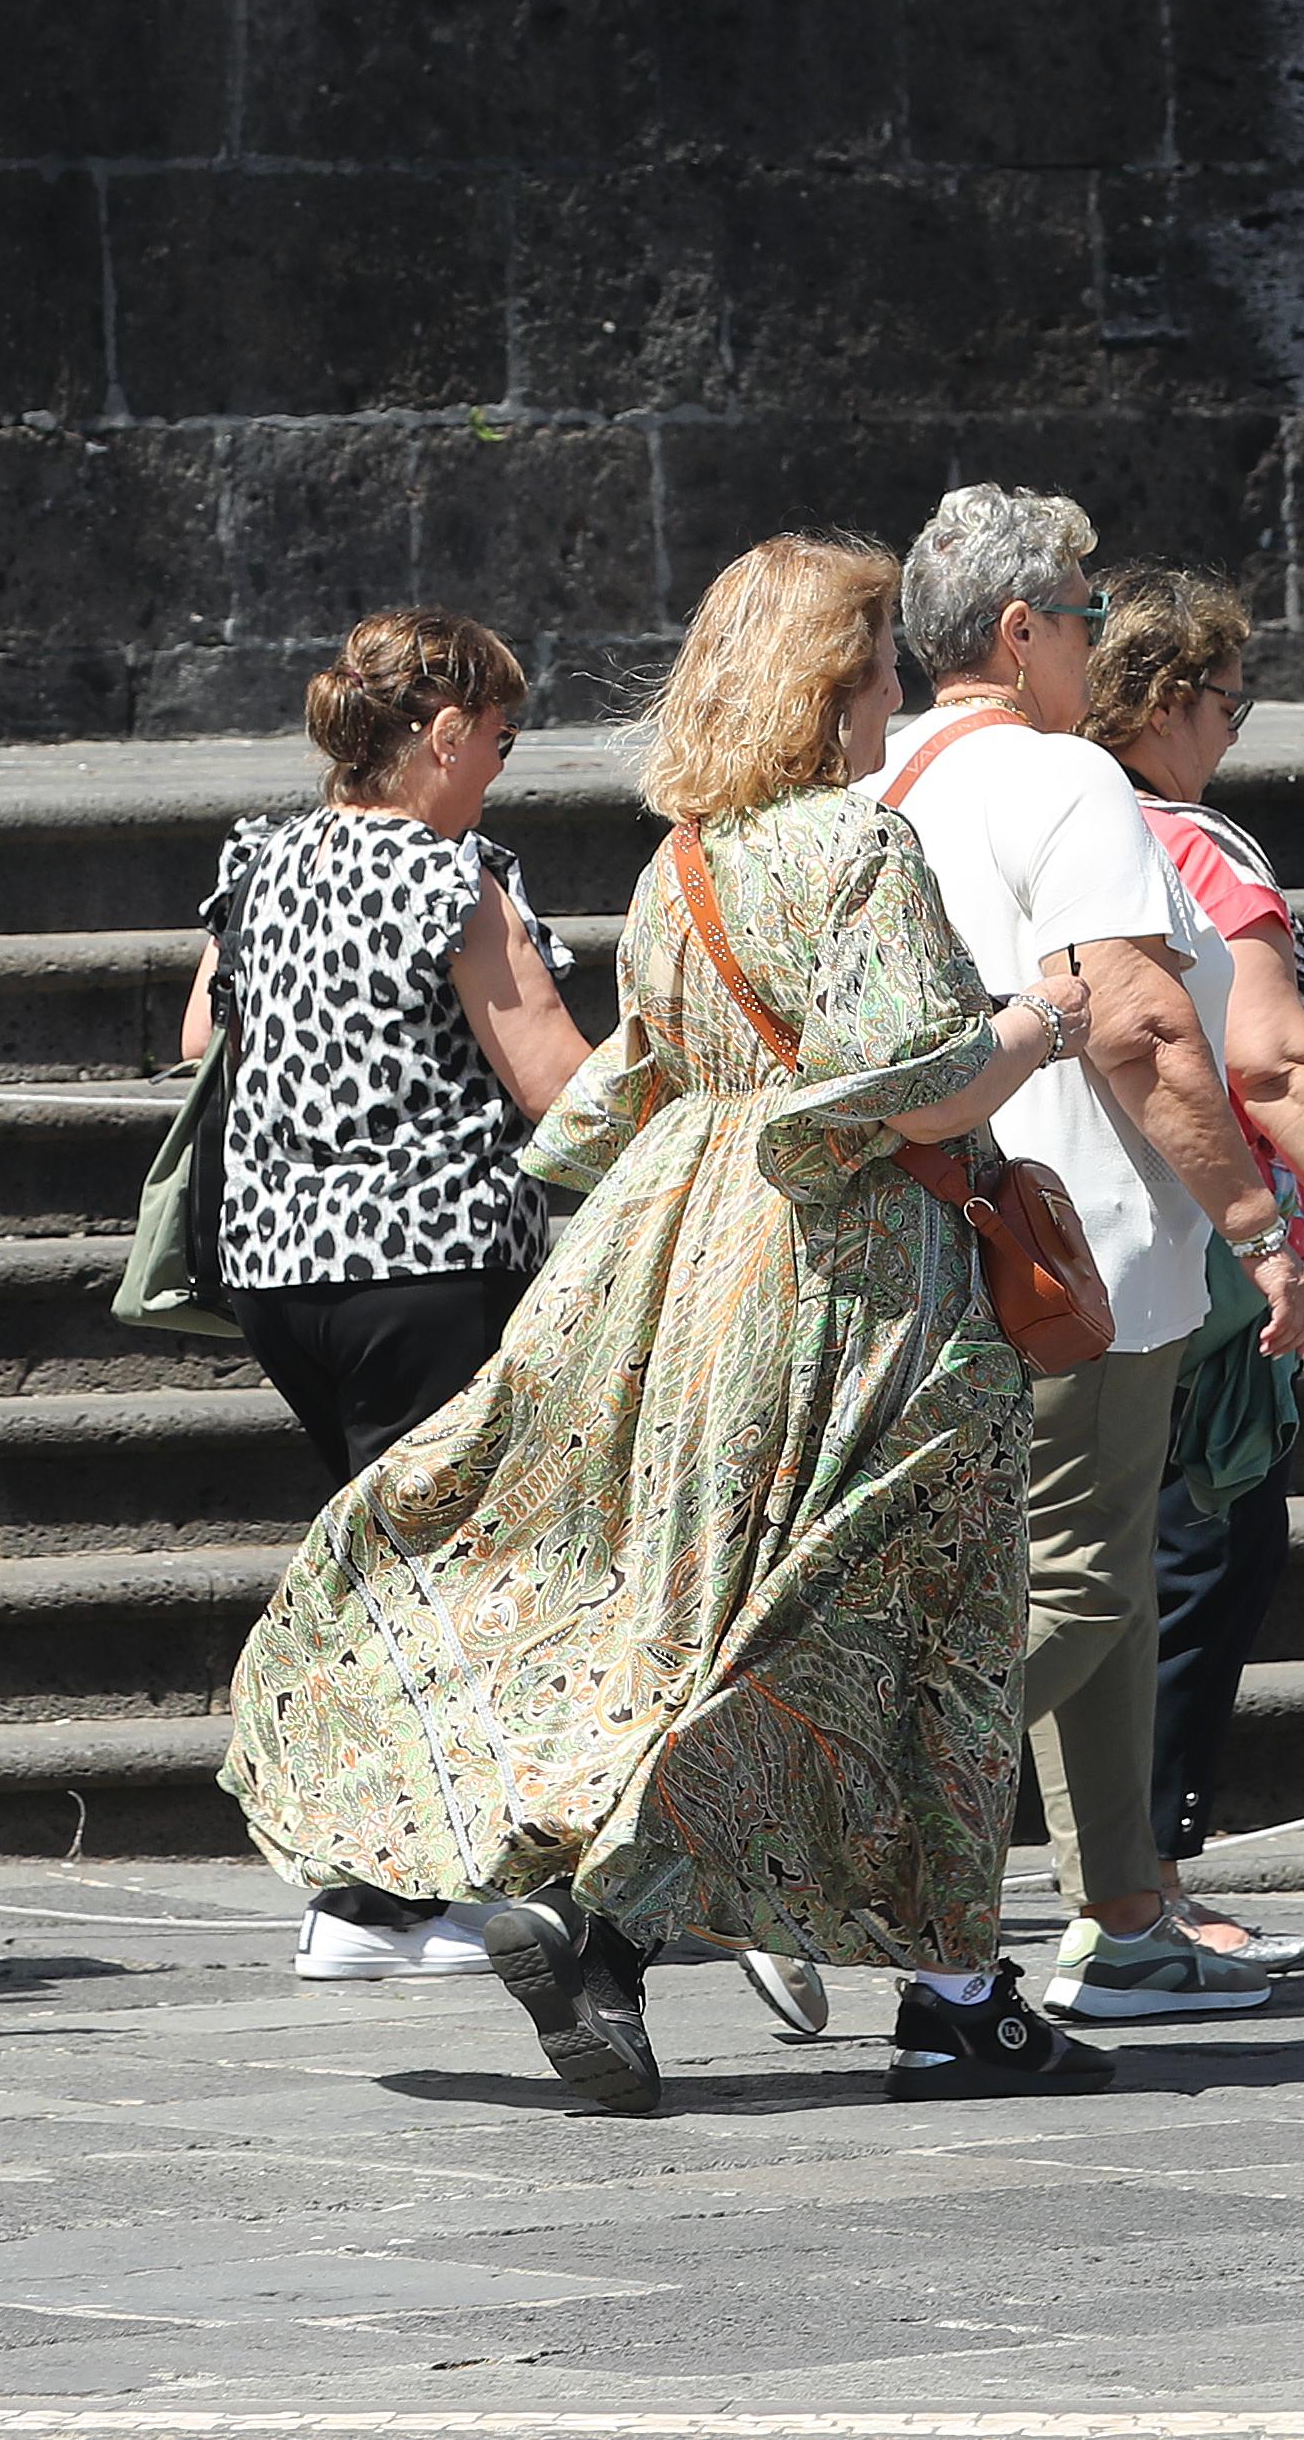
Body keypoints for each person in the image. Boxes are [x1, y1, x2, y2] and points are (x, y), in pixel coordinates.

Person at [222, 533, 1120, 2114]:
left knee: (730, 1616)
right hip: (862, 1281)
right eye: (880, 669)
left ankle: (642, 1940)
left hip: (691, 1267)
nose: (896, 696)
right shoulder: (857, 850)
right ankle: (911, 1986)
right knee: (905, 1619)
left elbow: (630, 1082)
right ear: (829, 685)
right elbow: (906, 1089)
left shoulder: (683, 862)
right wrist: (1044, 1023)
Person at [871, 489, 1304, 2030]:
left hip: (933, 1239)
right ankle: (845, 1814)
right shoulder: (1058, 776)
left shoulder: (879, 776)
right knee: (1075, 1582)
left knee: (1100, 1586)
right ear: (1016, 635)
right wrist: (1261, 1229)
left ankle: (1123, 1914)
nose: (1092, 645)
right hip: (1077, 1249)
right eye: (1077, 618)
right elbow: (1140, 1021)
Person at [176, 608, 595, 1985]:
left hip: (277, 1270)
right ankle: (391, 1891)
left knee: (382, 1572)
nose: (502, 770)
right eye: (502, 741)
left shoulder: (257, 859)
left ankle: (370, 1889)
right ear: (444, 734)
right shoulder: (454, 876)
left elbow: (201, 1036)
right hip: (425, 1263)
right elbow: (554, 1082)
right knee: (448, 1586)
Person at [1076, 565, 1304, 1967]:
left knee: (1132, 1557)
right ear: (1171, 700)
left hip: (1056, 1251)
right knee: (1204, 1554)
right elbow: (1273, 1061)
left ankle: (1130, 1870)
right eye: (1231, 700)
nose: (1236, 727)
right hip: (1200, 1266)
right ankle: (1146, 1878)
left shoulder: (1043, 818)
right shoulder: (1198, 850)